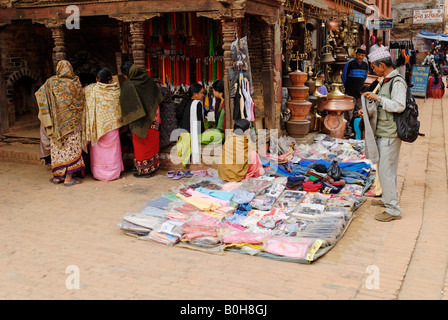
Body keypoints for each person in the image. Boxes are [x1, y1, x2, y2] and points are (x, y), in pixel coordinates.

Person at [361, 48, 407, 222]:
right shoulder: (386, 81)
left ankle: (393, 210)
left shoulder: (396, 82)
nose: (373, 70)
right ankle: (388, 199)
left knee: (386, 171)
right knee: (386, 170)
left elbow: (398, 105)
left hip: (390, 133)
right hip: (384, 131)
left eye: (374, 67)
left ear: (382, 65)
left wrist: (377, 98)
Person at [35, 60, 86, 186]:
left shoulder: (51, 82)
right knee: (71, 149)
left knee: (58, 148)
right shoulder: (75, 82)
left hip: (57, 124)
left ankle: (58, 177)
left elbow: (40, 94)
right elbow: (81, 100)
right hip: (72, 124)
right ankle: (68, 178)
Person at [119, 61, 163, 178]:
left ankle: (144, 171)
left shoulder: (129, 84)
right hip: (154, 118)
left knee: (141, 145)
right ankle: (152, 167)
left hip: (139, 121)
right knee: (152, 145)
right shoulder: (149, 80)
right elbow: (157, 97)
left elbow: (125, 102)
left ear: (126, 74)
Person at [82, 67, 124, 181]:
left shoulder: (91, 89)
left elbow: (81, 93)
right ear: (110, 80)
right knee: (112, 151)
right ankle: (114, 172)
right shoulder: (116, 91)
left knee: (99, 152)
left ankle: (99, 174)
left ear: (97, 79)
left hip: (98, 127)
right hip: (112, 127)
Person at [177, 83, 223, 167]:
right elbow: (198, 125)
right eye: (201, 93)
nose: (203, 95)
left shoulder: (187, 103)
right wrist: (205, 129)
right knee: (218, 135)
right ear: (195, 94)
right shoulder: (197, 103)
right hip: (192, 136)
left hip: (184, 135)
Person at [342, 46, 369, 135]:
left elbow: (364, 78)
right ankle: (347, 128)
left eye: (362, 55)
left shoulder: (365, 65)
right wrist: (347, 88)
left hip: (360, 92)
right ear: (356, 54)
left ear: (364, 56)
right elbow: (344, 77)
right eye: (359, 55)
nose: (360, 57)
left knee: (358, 111)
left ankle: (356, 128)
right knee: (349, 111)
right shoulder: (350, 63)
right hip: (350, 91)